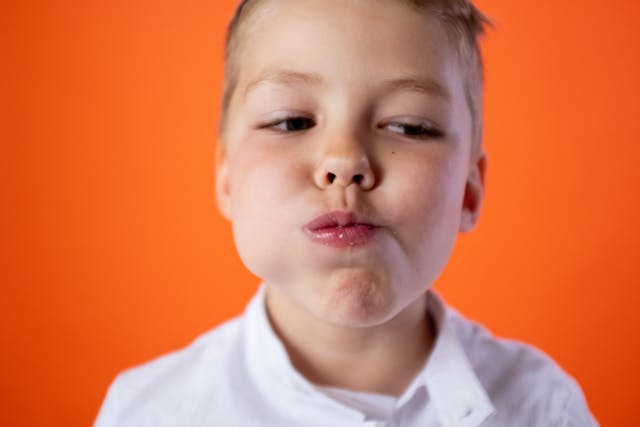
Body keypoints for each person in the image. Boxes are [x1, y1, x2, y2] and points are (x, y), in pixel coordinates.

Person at [95, 0, 599, 425]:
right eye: (291, 121)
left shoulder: (543, 408)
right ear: (227, 178)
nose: (344, 161)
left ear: (468, 191)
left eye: (408, 127)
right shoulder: (148, 411)